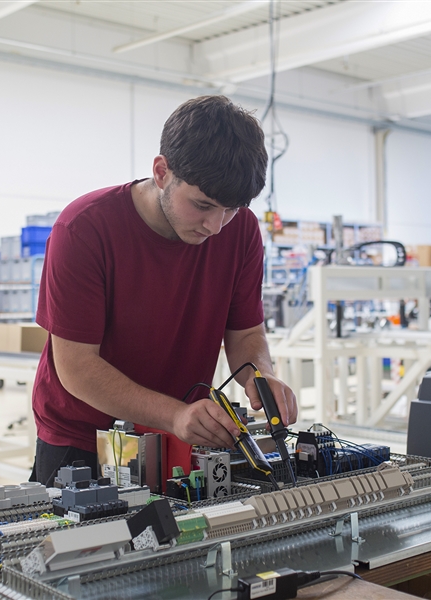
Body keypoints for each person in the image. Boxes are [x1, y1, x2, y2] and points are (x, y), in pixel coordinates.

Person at [30, 95, 298, 486]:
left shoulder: (241, 232)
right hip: (84, 440)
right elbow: (77, 368)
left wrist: (260, 375)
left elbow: (246, 334)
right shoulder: (84, 229)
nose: (215, 226)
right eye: (202, 205)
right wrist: (175, 414)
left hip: (174, 438)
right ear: (161, 172)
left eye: (231, 209)